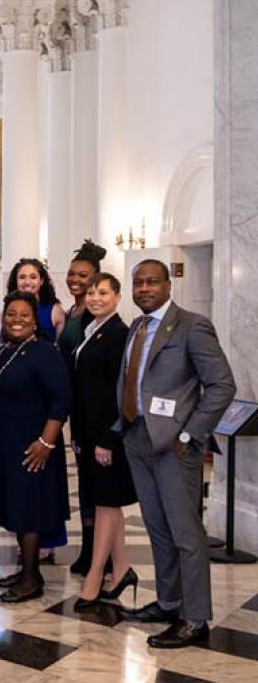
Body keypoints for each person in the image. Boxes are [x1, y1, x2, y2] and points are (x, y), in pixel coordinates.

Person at [117, 260, 235, 648]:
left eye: (152, 282)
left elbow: (221, 385)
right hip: (137, 440)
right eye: (138, 283)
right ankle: (169, 602)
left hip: (175, 447)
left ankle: (195, 617)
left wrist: (190, 433)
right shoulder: (136, 326)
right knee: (158, 529)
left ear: (169, 285)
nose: (144, 288)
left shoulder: (191, 325)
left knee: (187, 534)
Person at [0, 292, 71, 603]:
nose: (16, 319)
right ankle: (26, 571)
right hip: (7, 444)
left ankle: (32, 579)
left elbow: (61, 399)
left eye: (23, 315)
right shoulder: (6, 350)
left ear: (35, 320)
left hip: (34, 445)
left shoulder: (44, 352)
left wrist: (46, 441)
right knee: (17, 509)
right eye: (10, 314)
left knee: (30, 511)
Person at [70, 273, 139, 611]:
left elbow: (119, 394)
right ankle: (123, 568)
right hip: (89, 434)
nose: (95, 297)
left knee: (105, 505)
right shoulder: (92, 330)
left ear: (117, 295)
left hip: (107, 436)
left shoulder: (118, 334)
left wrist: (107, 439)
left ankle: (96, 575)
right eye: (92, 292)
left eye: (103, 292)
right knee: (106, 503)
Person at [57, 240, 105, 576]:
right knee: (86, 483)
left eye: (83, 276)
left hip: (92, 408)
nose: (76, 280)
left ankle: (99, 551)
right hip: (76, 406)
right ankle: (89, 547)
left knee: (95, 485)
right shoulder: (73, 311)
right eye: (72, 274)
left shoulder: (92, 313)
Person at [7, 258, 65, 342]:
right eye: (22, 277)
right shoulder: (8, 308)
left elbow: (60, 348)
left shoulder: (55, 311)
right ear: (15, 281)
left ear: (41, 281)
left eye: (33, 277)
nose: (27, 282)